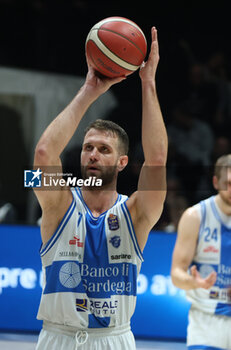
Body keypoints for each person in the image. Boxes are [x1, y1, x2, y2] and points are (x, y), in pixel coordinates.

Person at [34, 27, 167, 350]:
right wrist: (90, 89)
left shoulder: (135, 212)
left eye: (104, 150)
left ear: (122, 162)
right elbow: (43, 156)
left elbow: (157, 159)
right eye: (88, 147)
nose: (93, 154)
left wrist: (148, 83)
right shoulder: (60, 202)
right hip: (58, 337)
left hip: (113, 339)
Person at [171, 154, 231, 350]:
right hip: (206, 319)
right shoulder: (195, 216)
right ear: (215, 182)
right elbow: (176, 274)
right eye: (228, 183)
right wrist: (193, 282)